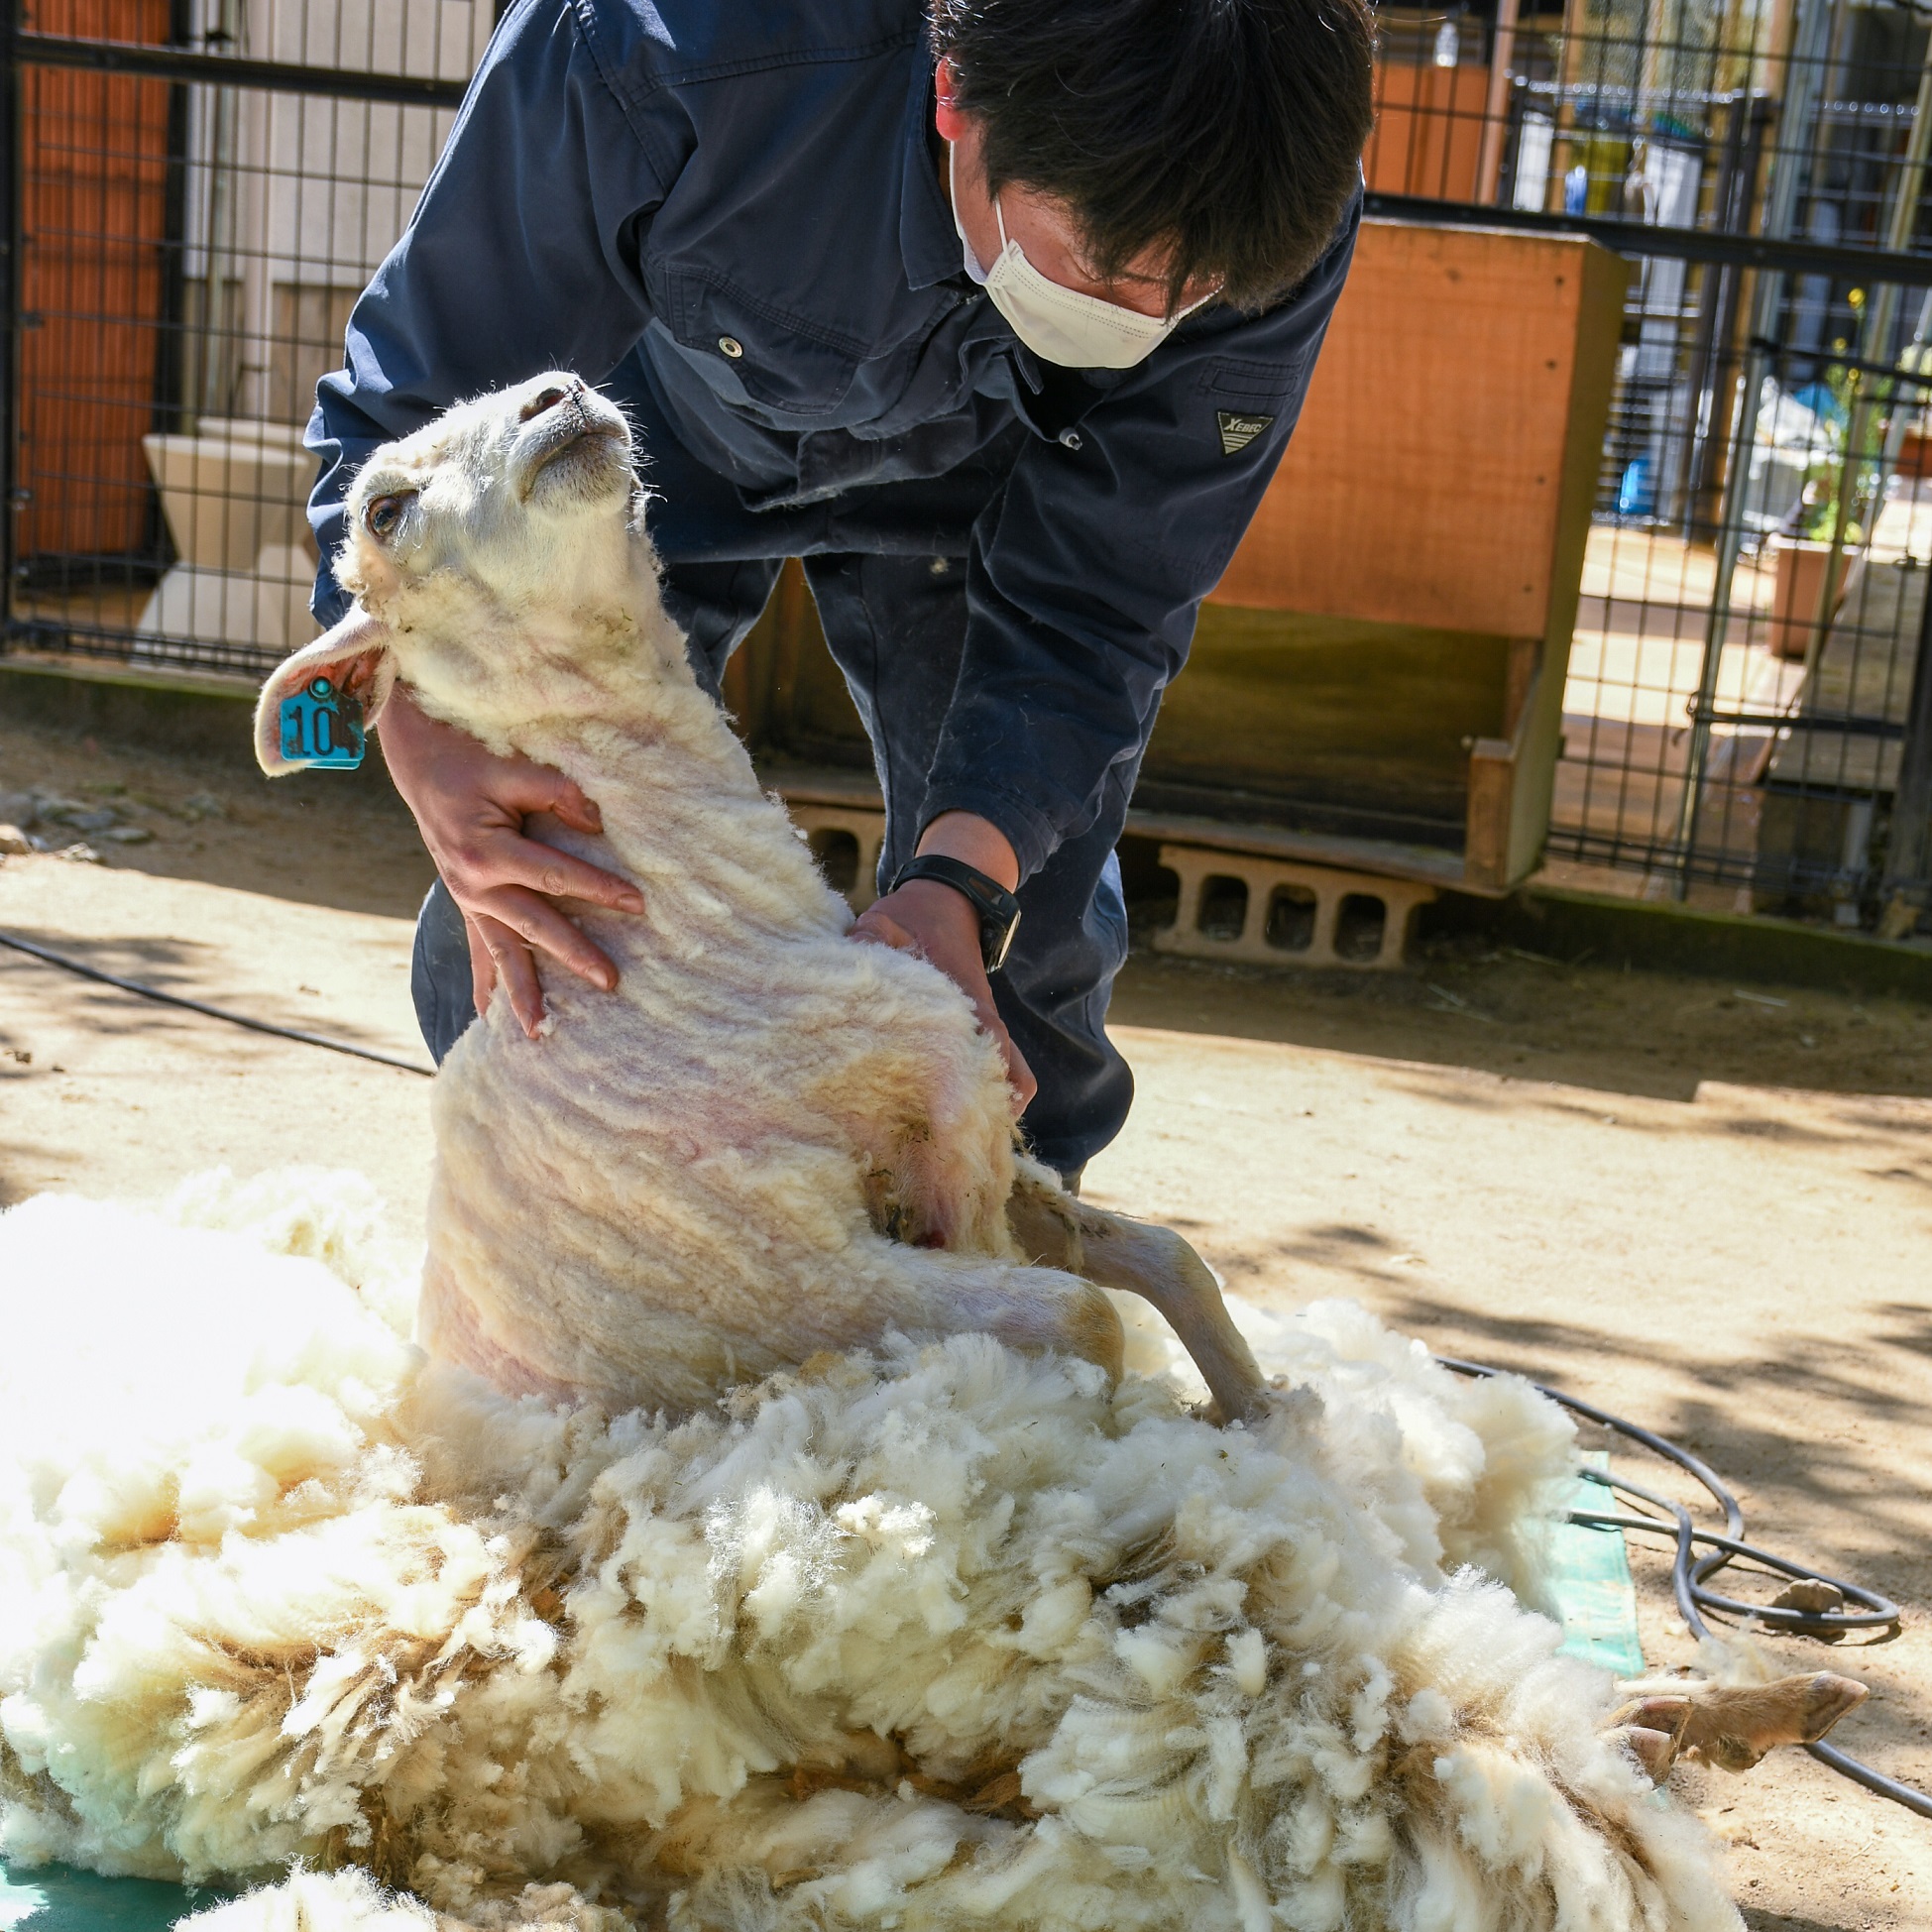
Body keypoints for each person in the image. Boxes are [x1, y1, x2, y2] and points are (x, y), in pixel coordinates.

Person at [308, 0, 1374, 1185]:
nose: (1148, 318)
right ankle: (549, 1239)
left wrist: (960, 882)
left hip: (993, 486)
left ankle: (998, 1289)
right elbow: (411, 416)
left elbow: (1106, 600)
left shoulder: (1269, 168)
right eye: (1103, 271)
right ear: (955, 97)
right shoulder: (664, 41)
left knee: (1020, 968)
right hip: (648, 446)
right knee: (533, 879)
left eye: (1193, 292)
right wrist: (413, 719)